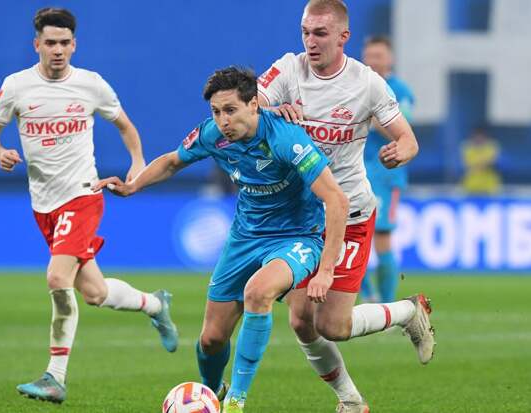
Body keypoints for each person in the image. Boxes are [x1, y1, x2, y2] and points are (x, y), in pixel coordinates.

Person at [94, 66, 349, 413]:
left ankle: (236, 401)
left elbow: (336, 199)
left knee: (258, 292)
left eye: (230, 110)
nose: (223, 120)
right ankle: (213, 393)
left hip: (296, 236)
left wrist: (326, 271)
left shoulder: (286, 140)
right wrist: (132, 186)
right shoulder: (213, 134)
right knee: (211, 339)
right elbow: (172, 162)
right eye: (216, 111)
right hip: (245, 237)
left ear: (254, 104)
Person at [0, 8, 178, 404]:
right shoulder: (16, 87)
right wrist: (0, 153)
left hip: (83, 196)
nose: (57, 50)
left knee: (58, 278)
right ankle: (156, 304)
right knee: (94, 293)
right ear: (37, 45)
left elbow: (126, 126)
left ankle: (55, 377)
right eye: (50, 43)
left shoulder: (91, 85)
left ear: (74, 45)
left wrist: (137, 163)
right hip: (43, 205)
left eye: (64, 43)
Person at [257, 1, 433, 412]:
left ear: (343, 37)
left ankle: (408, 312)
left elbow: (408, 138)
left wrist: (402, 150)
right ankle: (351, 401)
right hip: (301, 217)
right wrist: (271, 110)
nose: (310, 41)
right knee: (300, 320)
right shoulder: (288, 69)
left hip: (349, 213)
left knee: (333, 325)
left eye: (320, 33)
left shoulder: (367, 83)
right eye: (305, 32)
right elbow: (250, 104)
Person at [360, 35, 415, 303]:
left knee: (381, 238)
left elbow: (405, 131)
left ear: (390, 59)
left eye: (378, 56)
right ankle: (368, 296)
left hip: (386, 174)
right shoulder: (356, 85)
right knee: (347, 236)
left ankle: (386, 302)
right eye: (369, 55)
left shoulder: (400, 90)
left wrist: (373, 117)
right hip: (355, 171)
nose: (373, 61)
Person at [460, 127, 502, 194]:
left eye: (481, 137)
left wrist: (482, 163)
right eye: (477, 137)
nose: (479, 139)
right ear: (473, 137)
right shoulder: (467, 148)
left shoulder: (491, 147)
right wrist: (484, 162)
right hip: (471, 185)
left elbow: (492, 162)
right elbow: (469, 164)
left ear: (485, 137)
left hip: (490, 185)